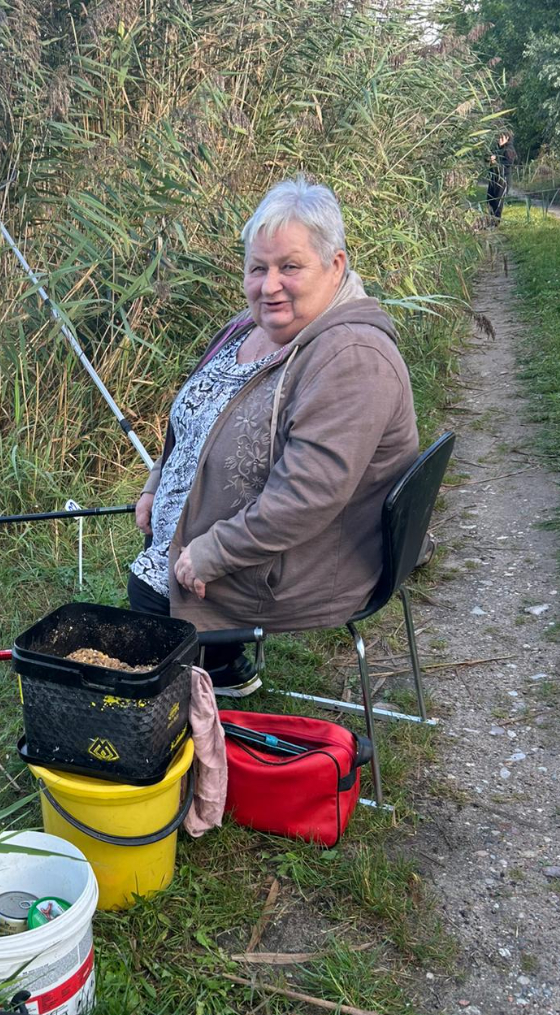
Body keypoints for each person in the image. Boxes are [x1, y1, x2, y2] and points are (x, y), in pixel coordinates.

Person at [129, 176, 419, 692]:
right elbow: (197, 415)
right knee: (151, 583)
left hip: (303, 560)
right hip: (231, 538)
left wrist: (212, 553)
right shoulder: (249, 325)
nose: (269, 286)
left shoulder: (353, 358)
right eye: (257, 268)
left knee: (151, 593)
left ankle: (217, 669)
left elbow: (306, 497)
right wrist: (157, 484)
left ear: (335, 265)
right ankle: (222, 664)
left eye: (290, 267)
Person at [486, 131, 517, 224]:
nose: (499, 140)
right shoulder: (496, 148)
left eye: (502, 138)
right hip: (493, 178)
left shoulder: (509, 149)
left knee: (498, 202)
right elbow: (486, 157)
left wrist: (496, 161)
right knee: (490, 200)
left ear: (507, 138)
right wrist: (489, 158)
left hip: (503, 179)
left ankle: (495, 223)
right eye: (499, 138)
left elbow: (509, 163)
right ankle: (490, 220)